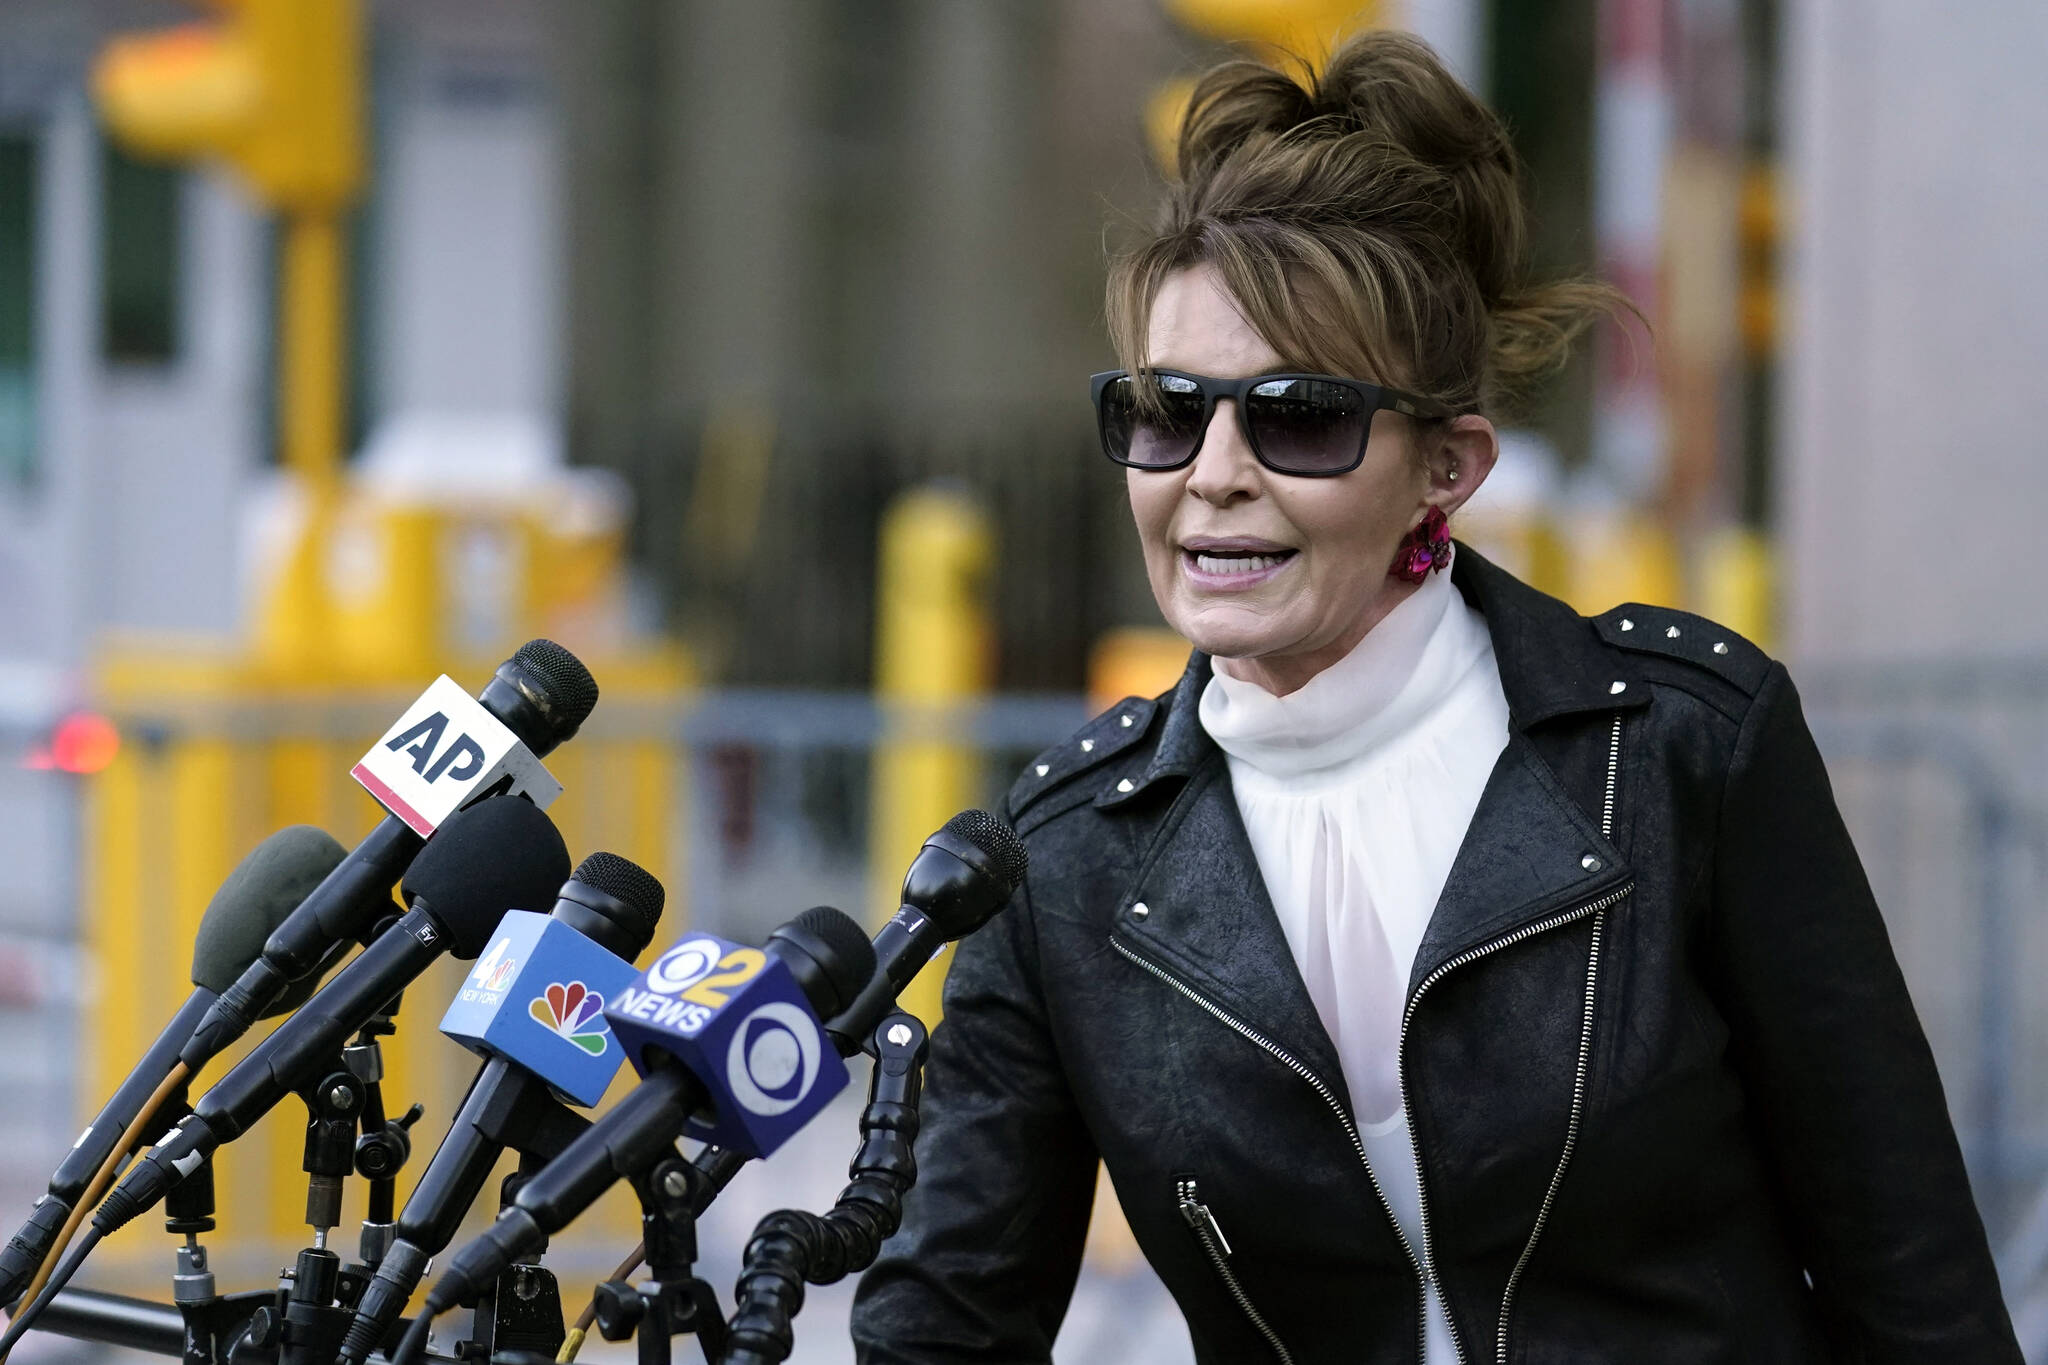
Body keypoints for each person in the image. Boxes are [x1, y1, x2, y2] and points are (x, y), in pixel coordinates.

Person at [850, 29, 2017, 1365]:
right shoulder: (1059, 858)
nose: (1213, 472)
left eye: (1297, 416)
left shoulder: (1685, 742)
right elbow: (945, 1326)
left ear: (1446, 466)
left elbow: (1912, 1275)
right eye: (1168, 410)